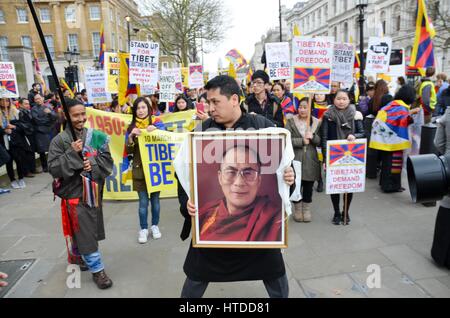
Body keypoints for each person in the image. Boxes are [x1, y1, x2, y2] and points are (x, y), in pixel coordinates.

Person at [180, 75, 295, 298]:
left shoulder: (263, 127)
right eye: (208, 102)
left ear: (234, 99)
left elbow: (285, 164)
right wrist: (188, 204)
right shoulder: (201, 133)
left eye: (215, 102)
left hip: (260, 234)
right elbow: (185, 176)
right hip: (213, 230)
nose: (210, 108)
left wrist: (290, 175)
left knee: (276, 277)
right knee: (195, 280)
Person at [48, 98, 114, 290]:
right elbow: (53, 168)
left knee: (87, 230)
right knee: (85, 232)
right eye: (76, 115)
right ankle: (98, 270)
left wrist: (91, 164)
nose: (81, 118)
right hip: (74, 195)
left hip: (92, 192)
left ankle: (80, 256)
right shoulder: (59, 141)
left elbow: (107, 161)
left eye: (83, 114)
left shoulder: (96, 136)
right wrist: (71, 153)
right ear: (67, 115)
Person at [198, 145, 281, 242]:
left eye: (248, 173)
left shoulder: (273, 217)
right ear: (220, 178)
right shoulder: (206, 214)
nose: (239, 183)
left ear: (259, 180)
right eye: (231, 172)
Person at [321, 90, 365, 225]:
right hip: (333, 156)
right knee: (334, 185)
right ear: (334, 100)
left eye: (344, 99)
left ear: (349, 100)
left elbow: (363, 132)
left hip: (351, 157)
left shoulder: (355, 115)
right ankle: (336, 212)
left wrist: (355, 136)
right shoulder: (328, 116)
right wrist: (324, 159)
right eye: (338, 99)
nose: (341, 101)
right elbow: (324, 137)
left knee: (348, 185)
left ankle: (346, 212)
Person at [126, 97, 166, 244]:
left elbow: (166, 136)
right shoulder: (131, 127)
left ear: (149, 109)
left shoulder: (157, 122)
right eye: (138, 108)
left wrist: (156, 130)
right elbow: (128, 149)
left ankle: (155, 226)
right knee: (143, 203)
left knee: (155, 201)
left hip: (155, 169)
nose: (141, 111)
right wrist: (131, 136)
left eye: (143, 107)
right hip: (139, 170)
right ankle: (143, 228)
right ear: (134, 111)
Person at [285, 97, 321, 223]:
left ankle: (306, 209)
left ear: (310, 108)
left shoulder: (316, 122)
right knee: (295, 185)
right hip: (295, 158)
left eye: (305, 107)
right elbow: (286, 139)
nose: (302, 110)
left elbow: (320, 141)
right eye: (300, 107)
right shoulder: (290, 121)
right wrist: (301, 141)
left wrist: (313, 137)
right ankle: (297, 209)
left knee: (308, 186)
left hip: (311, 158)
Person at [432, 101, 450, 269]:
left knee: (447, 206)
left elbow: (438, 142)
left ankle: (441, 255)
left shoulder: (449, 112)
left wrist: (447, 155)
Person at [0, 98, 26, 189]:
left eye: (7, 101)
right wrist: (4, 131)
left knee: (19, 160)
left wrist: (13, 127)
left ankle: (21, 178)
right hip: (4, 142)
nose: (5, 102)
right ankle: (12, 180)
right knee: (9, 161)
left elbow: (23, 127)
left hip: (16, 141)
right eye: (2, 100)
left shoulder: (15, 112)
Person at [31, 93, 57, 173]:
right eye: (36, 99)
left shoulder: (48, 107)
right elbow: (37, 120)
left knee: (52, 149)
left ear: (43, 98)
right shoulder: (34, 109)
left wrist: (49, 113)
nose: (38, 100)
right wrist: (47, 121)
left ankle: (53, 165)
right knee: (42, 151)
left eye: (39, 98)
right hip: (40, 131)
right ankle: (44, 167)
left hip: (49, 130)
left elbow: (54, 117)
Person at [16, 98, 36, 178]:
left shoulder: (28, 111)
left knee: (31, 152)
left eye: (28, 103)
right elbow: (23, 124)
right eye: (25, 104)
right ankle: (27, 171)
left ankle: (32, 169)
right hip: (25, 135)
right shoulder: (20, 113)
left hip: (30, 133)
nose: (28, 105)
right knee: (26, 153)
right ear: (20, 104)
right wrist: (29, 128)